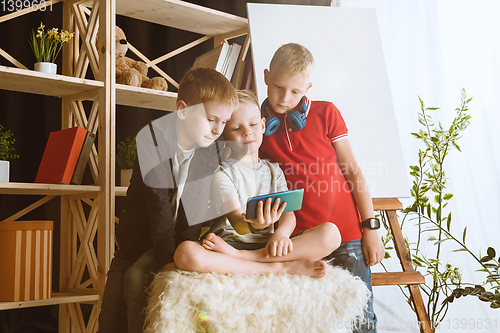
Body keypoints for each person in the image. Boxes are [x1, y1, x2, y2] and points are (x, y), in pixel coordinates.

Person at [97, 67, 239, 333]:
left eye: (224, 121)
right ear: (182, 110)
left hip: (175, 240)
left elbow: (194, 209)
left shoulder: (209, 153)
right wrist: (167, 257)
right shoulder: (152, 141)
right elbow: (158, 205)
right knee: (110, 312)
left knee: (136, 282)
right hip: (137, 240)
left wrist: (177, 254)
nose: (219, 129)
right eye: (211, 119)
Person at [258, 43, 384, 332]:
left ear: (308, 88)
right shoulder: (258, 126)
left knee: (362, 321)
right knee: (307, 320)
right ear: (266, 76)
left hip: (349, 236)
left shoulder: (327, 113)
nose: (285, 98)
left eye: (295, 92)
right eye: (278, 87)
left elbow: (353, 170)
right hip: (300, 239)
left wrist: (371, 228)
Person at [173, 90, 341, 278]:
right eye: (237, 128)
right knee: (186, 252)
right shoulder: (222, 173)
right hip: (228, 245)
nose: (247, 132)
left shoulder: (274, 171)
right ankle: (278, 268)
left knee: (331, 234)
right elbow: (239, 224)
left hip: (267, 247)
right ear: (225, 136)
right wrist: (256, 226)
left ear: (262, 125)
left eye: (253, 124)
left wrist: (282, 234)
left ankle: (244, 258)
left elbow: (288, 215)